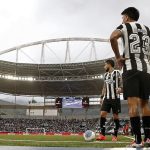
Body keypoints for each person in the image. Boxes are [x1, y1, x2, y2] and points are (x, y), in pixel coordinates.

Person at [110, 7, 150, 147]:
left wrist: (118, 58)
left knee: (133, 104)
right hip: (146, 69)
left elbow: (112, 37)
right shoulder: (147, 29)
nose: (122, 19)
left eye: (122, 17)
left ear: (126, 17)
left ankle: (138, 140)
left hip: (131, 68)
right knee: (145, 104)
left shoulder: (125, 26)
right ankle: (148, 138)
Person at [96, 59, 122, 141]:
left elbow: (122, 82)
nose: (104, 67)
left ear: (109, 64)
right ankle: (102, 134)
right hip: (107, 98)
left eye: (105, 65)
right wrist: (101, 97)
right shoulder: (105, 75)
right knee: (102, 114)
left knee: (115, 116)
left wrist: (120, 88)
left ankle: (115, 135)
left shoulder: (117, 73)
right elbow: (104, 87)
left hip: (115, 98)